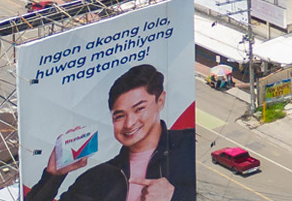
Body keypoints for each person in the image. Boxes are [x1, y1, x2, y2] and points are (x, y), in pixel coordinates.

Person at [26, 64, 194, 201]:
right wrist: (52, 176)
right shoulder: (96, 178)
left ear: (160, 101)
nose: (129, 123)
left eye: (139, 109)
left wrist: (175, 196)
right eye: (120, 116)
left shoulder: (187, 146)